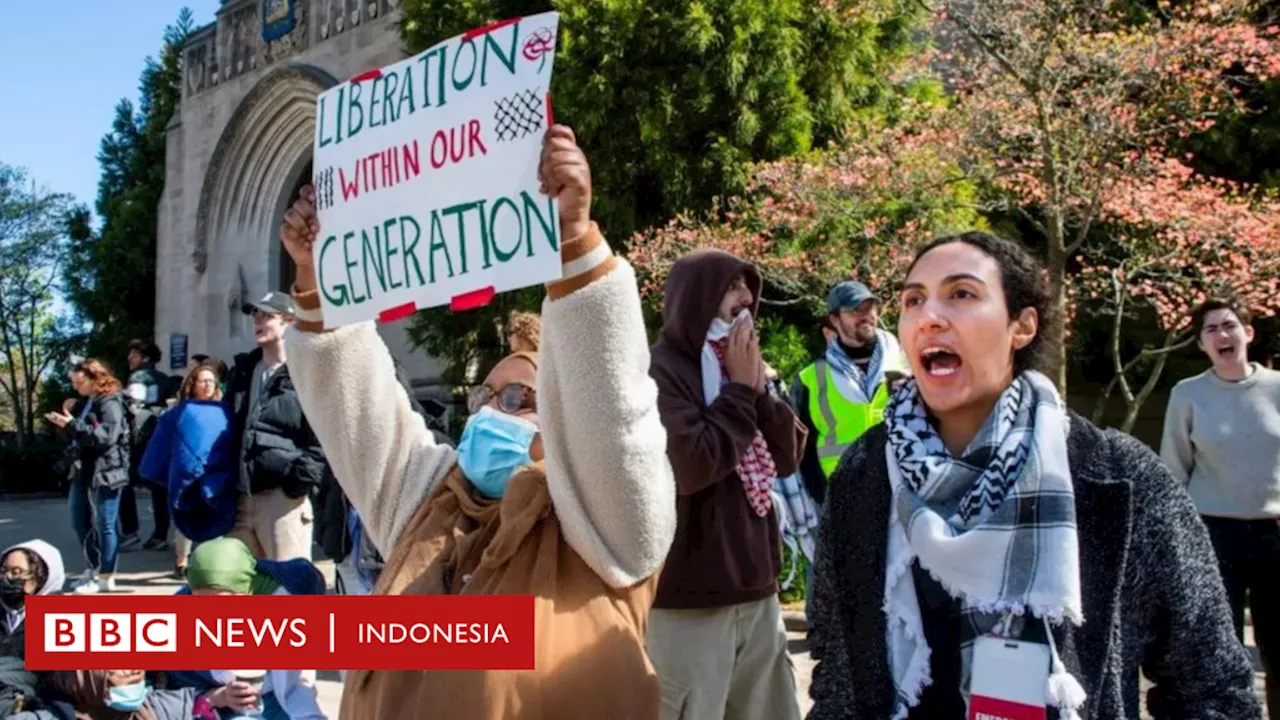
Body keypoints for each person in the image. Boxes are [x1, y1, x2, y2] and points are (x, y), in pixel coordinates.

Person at [277, 124, 676, 718]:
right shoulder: (432, 504)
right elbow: (352, 403)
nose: (491, 411)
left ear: (565, 416)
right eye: (484, 396)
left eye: (516, 397)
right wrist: (317, 278)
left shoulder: (606, 529)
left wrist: (571, 241)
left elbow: (613, 412)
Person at [807, 231, 1258, 719]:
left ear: (1021, 326)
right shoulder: (865, 476)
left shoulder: (1119, 476)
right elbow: (838, 676)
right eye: (914, 300)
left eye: (961, 294)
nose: (929, 317)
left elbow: (1211, 687)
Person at [646, 249, 806, 720]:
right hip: (690, 600)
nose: (747, 297)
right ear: (697, 297)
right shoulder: (661, 370)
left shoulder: (741, 359)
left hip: (757, 592)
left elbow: (788, 456)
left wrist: (756, 389)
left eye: (748, 286)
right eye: (732, 286)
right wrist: (738, 390)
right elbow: (691, 463)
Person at [1160, 298, 1280, 715]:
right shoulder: (1188, 395)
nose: (1222, 335)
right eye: (1211, 330)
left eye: (1229, 325)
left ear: (1248, 332)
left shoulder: (1277, 388)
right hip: (1212, 536)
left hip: (1274, 534)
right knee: (1219, 650)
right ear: (1202, 344)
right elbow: (1174, 472)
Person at [224, 292, 327, 561]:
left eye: (266, 316)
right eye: (254, 315)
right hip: (241, 500)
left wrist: (296, 484)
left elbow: (324, 438)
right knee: (243, 590)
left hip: (283, 502)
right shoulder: (243, 371)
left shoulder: (308, 371)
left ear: (289, 323)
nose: (257, 321)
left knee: (287, 591)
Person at [178, 537, 327, 719]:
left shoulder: (281, 603)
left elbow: (294, 688)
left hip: (278, 702)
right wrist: (218, 697)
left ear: (247, 591)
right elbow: (168, 697)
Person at [792, 281, 908, 508]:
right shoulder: (810, 379)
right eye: (855, 310)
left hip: (905, 490)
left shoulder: (906, 360)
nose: (865, 316)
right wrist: (826, 499)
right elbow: (803, 453)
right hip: (845, 500)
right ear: (834, 320)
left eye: (869, 308)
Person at [140, 361, 237, 578]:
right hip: (186, 476)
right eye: (203, 380)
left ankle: (211, 565)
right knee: (185, 514)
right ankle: (182, 561)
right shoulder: (180, 411)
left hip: (217, 475)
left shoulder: (226, 411)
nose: (208, 385)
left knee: (216, 516)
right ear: (192, 384)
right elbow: (163, 441)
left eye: (212, 381)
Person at [47, 360, 130, 595]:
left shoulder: (110, 401)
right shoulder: (87, 401)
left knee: (104, 524)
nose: (76, 387)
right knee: (80, 521)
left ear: (95, 378)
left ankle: (105, 575)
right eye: (73, 382)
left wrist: (73, 423)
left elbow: (105, 437)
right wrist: (67, 422)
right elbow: (80, 435)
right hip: (84, 469)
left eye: (79, 382)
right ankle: (93, 568)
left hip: (106, 471)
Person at [120, 339, 174, 553]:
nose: (129, 359)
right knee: (159, 487)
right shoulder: (165, 379)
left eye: (133, 354)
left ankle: (130, 531)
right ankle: (160, 534)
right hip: (159, 436)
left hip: (138, 437)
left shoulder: (138, 377)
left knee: (123, 481)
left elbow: (131, 406)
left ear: (145, 358)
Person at [0, 541, 65, 718]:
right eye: (3, 571)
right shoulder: (5, 613)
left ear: (39, 577)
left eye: (16, 572)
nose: (7, 578)